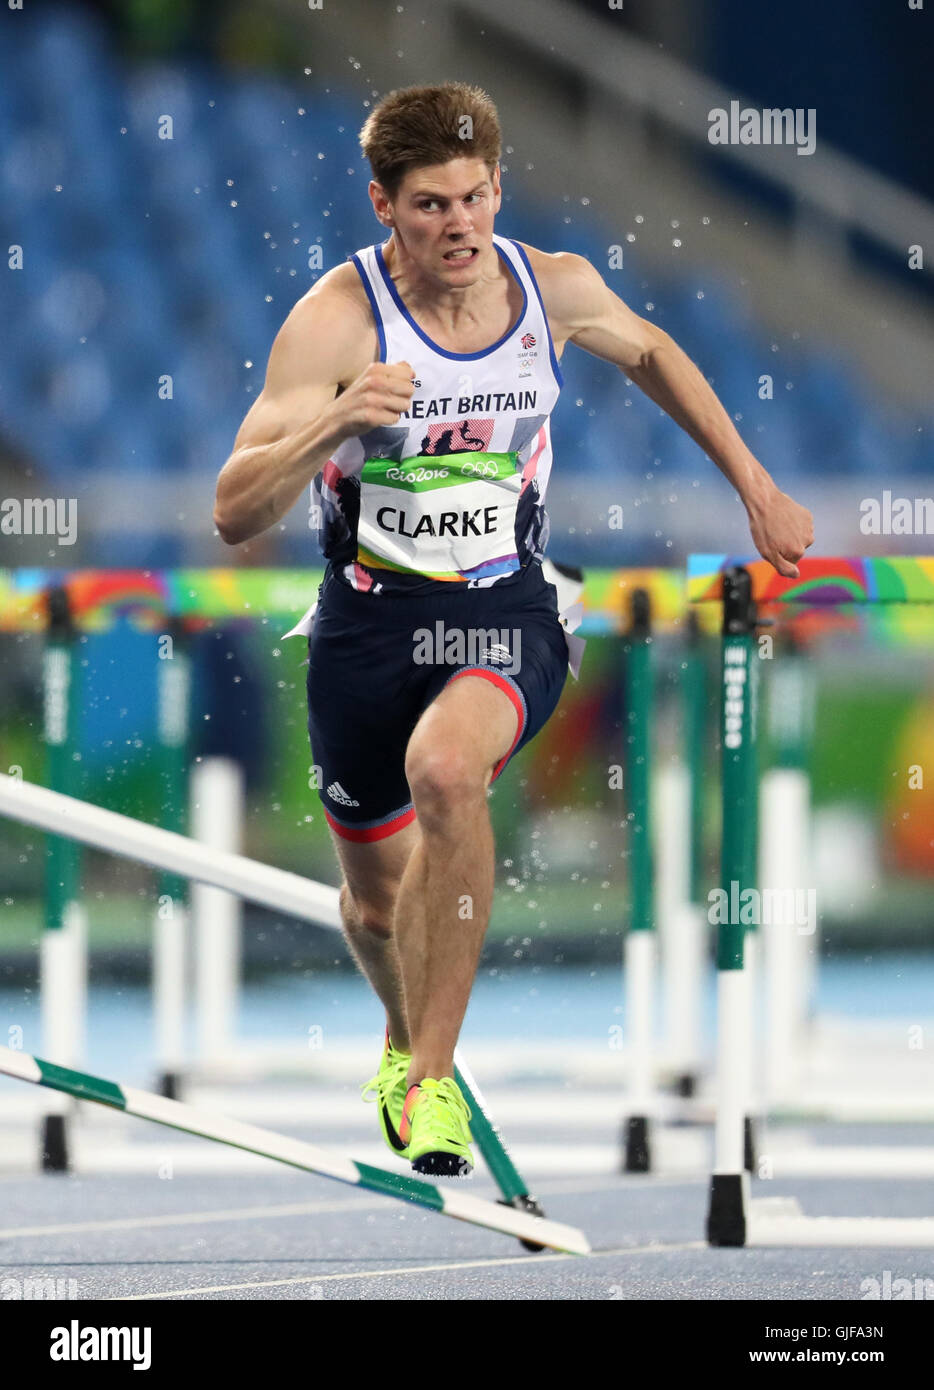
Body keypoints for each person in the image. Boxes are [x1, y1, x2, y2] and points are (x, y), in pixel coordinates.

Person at [213, 82, 813, 1177]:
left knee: (447, 773)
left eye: (476, 197)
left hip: (505, 605)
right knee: (374, 902)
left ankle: (433, 1083)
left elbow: (654, 354)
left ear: (499, 187)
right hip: (364, 625)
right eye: (432, 204)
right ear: (382, 206)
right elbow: (233, 509)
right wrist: (340, 420)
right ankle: (401, 1045)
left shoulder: (555, 289)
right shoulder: (337, 322)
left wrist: (753, 483)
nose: (460, 225)